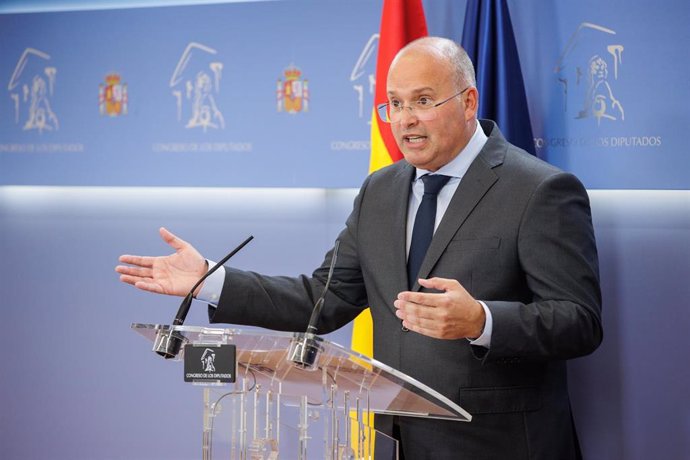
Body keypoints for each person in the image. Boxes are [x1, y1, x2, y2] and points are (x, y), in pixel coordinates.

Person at [117, 37, 602, 460]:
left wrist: (483, 321)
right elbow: (321, 300)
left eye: (423, 101)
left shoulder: (540, 190)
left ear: (469, 100)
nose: (405, 120)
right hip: (396, 440)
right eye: (394, 104)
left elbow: (579, 321)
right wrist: (209, 279)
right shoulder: (380, 190)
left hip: (502, 445)